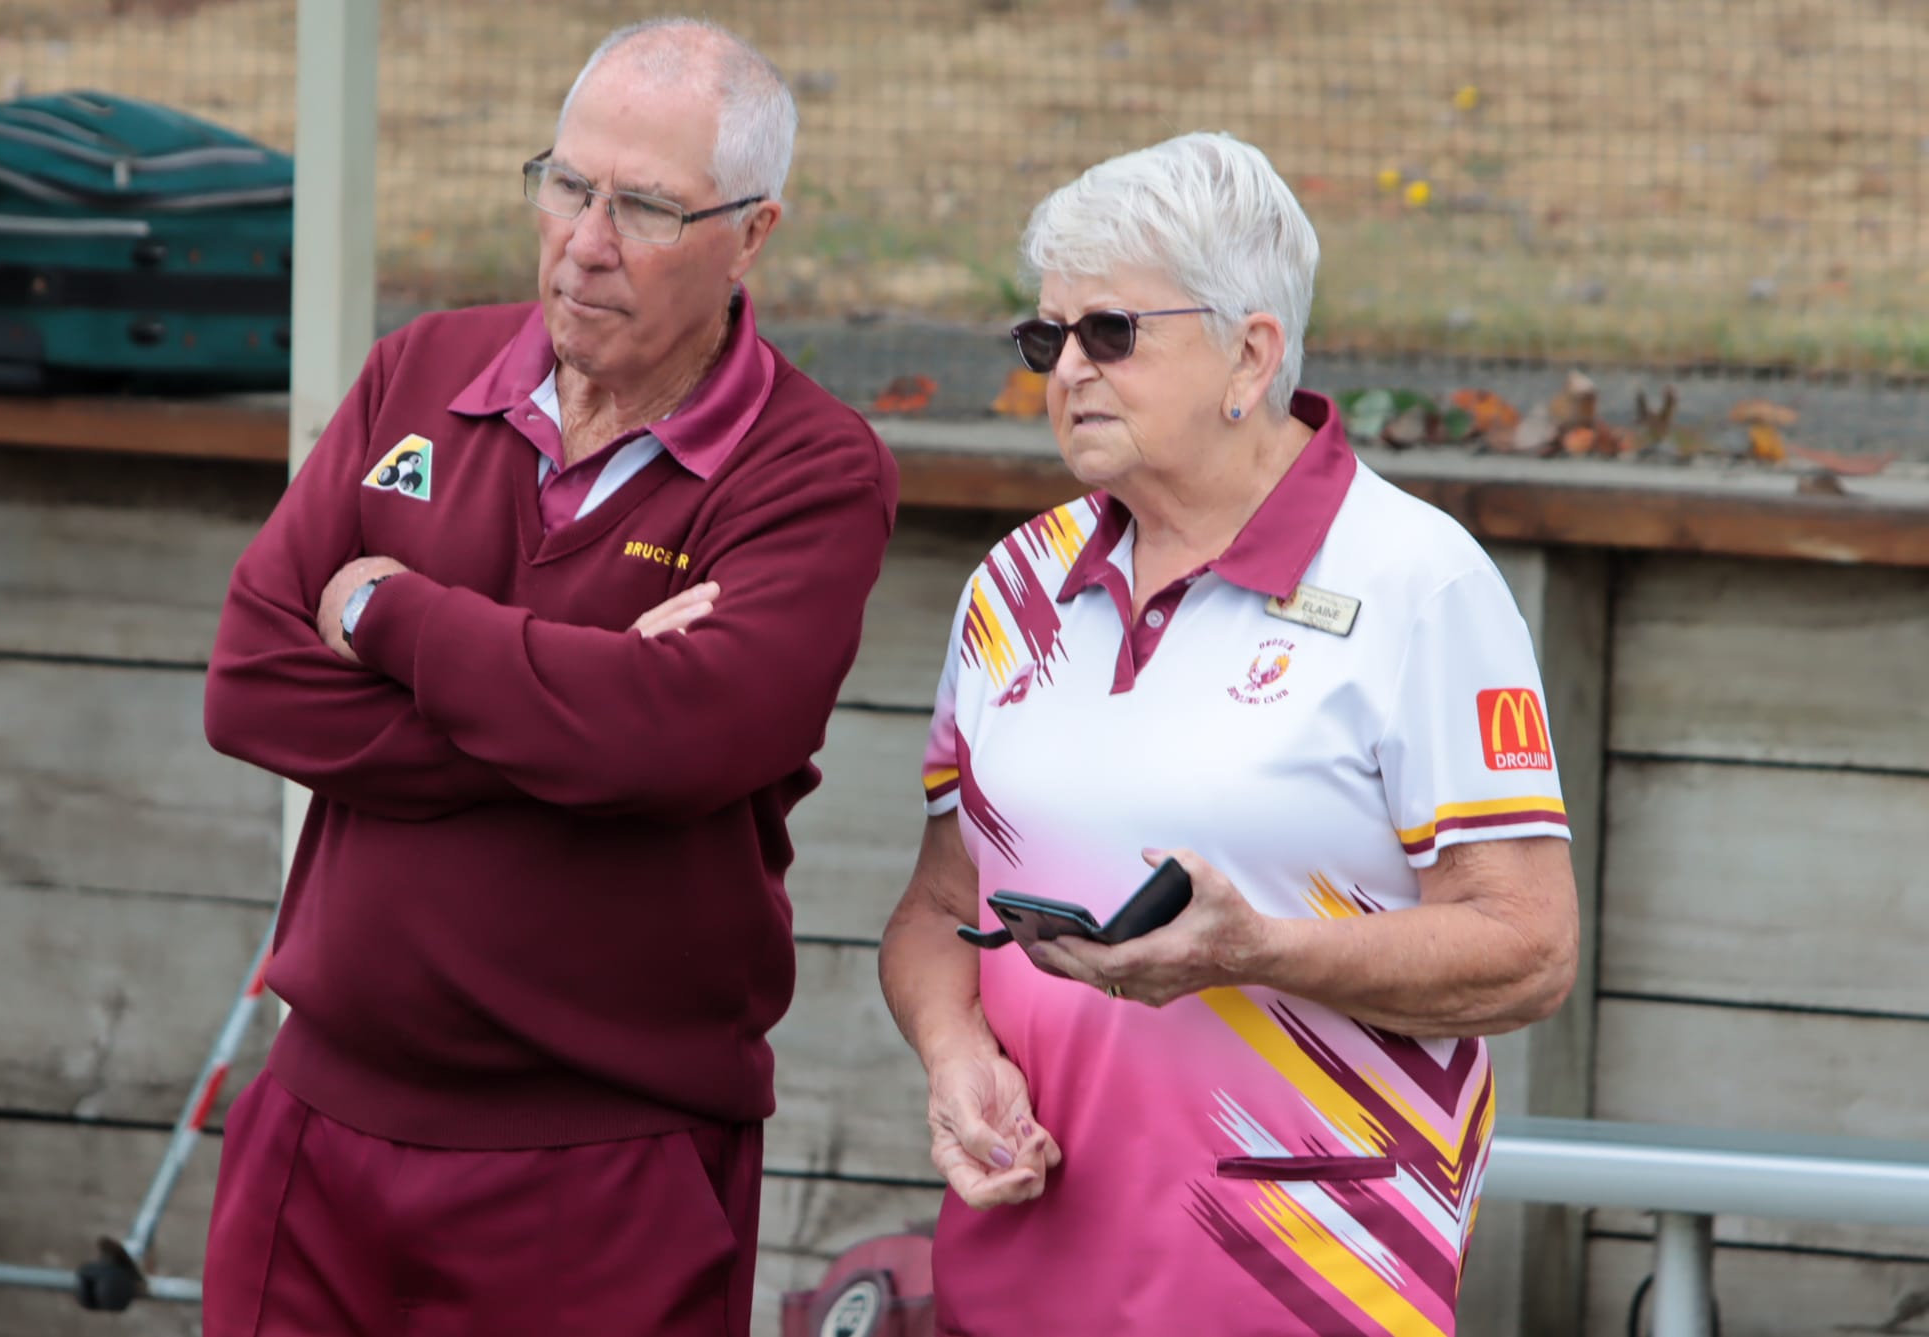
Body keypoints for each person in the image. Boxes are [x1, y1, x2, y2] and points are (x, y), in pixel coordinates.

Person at [200, 18, 898, 1336]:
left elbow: (679, 744)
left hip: (602, 1161)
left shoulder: (813, 470)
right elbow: (246, 679)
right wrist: (576, 718)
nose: (585, 239)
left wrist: (388, 611)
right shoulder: (421, 368)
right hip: (318, 1116)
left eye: (645, 207)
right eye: (568, 184)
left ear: (753, 234)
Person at [878, 131, 1578, 1336]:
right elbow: (939, 906)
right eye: (1047, 338)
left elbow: (1526, 949)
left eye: (1112, 332)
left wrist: (1252, 947)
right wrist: (953, 1056)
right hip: (1012, 1279)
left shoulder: (1418, 582)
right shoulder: (1011, 584)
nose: (1067, 372)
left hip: (1299, 1285)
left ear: (1250, 352)